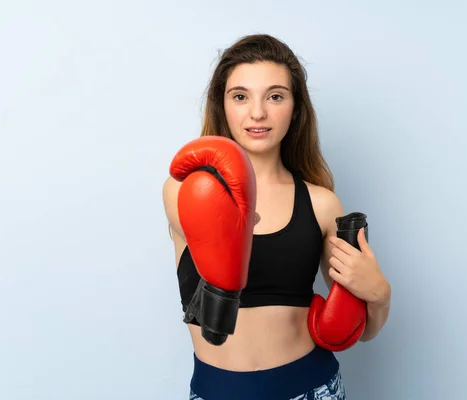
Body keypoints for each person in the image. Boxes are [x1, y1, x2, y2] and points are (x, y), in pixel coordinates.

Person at [162, 33, 391, 400]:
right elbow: (210, 276)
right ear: (222, 106)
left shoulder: (321, 204)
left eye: (275, 96)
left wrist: (379, 294)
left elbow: (359, 328)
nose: (257, 113)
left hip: (311, 388)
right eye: (240, 96)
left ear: (295, 108)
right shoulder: (185, 191)